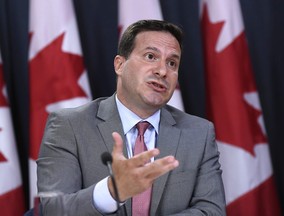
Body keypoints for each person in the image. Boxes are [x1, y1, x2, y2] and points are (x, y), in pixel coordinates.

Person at [37, 19, 226, 215]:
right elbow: (55, 209)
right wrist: (112, 191)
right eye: (150, 56)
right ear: (120, 65)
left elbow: (211, 210)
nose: (162, 71)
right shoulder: (69, 125)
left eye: (172, 63)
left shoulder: (199, 133)